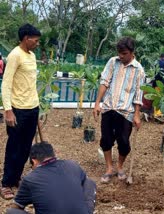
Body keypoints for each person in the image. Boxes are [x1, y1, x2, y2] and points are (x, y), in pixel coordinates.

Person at [93, 37, 144, 183]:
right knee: (106, 140)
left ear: (132, 52)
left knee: (124, 142)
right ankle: (109, 168)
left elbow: (138, 94)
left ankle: (120, 166)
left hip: (126, 111)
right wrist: (98, 103)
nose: (121, 56)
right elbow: (104, 82)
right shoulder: (112, 62)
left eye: (124, 53)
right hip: (109, 108)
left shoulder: (138, 69)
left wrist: (137, 115)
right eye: (119, 53)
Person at [0, 24, 41, 200]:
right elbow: (6, 84)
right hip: (18, 110)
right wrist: (8, 110)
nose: (37, 44)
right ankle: (6, 184)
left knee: (25, 148)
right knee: (14, 147)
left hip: (32, 108)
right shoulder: (15, 55)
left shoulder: (31, 56)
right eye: (36, 40)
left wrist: (36, 106)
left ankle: (16, 178)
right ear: (26, 38)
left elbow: (29, 83)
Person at [6, 142, 96, 214]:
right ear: (53, 155)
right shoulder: (72, 165)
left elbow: (16, 206)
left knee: (12, 212)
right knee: (89, 182)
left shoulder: (30, 178)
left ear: (34, 161)